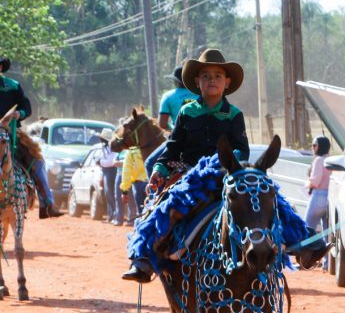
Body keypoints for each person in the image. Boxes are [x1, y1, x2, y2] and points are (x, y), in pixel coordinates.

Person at [122, 48, 325, 283]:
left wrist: (227, 161)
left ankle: (305, 246)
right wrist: (160, 169)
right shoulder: (187, 112)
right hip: (191, 178)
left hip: (228, 174)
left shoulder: (235, 115)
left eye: (218, 76)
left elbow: (242, 149)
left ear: (227, 82)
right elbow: (173, 147)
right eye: (206, 76)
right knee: (165, 208)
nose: (212, 80)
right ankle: (143, 260)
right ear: (197, 82)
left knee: (270, 199)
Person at [0, 56, 63, 218]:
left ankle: (47, 204)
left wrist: (18, 113)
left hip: (11, 133)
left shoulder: (13, 86)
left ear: (1, 68)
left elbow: (26, 106)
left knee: (37, 161)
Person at [145, 65, 197, 176]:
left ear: (175, 82)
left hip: (178, 139)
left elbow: (162, 124)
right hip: (200, 139)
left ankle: (156, 192)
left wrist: (174, 128)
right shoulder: (200, 94)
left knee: (150, 163)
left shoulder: (168, 96)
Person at [304, 135, 331, 234]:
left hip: (318, 197)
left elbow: (315, 182)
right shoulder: (330, 160)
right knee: (327, 232)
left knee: (307, 228)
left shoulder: (319, 160)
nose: (313, 147)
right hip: (330, 198)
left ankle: (305, 249)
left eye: (315, 145)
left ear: (321, 146)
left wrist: (308, 183)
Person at [96, 128, 120, 224]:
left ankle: (114, 216)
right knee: (108, 194)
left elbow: (111, 162)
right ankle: (110, 216)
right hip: (106, 171)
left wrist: (100, 162)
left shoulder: (112, 148)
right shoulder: (105, 147)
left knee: (111, 194)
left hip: (111, 171)